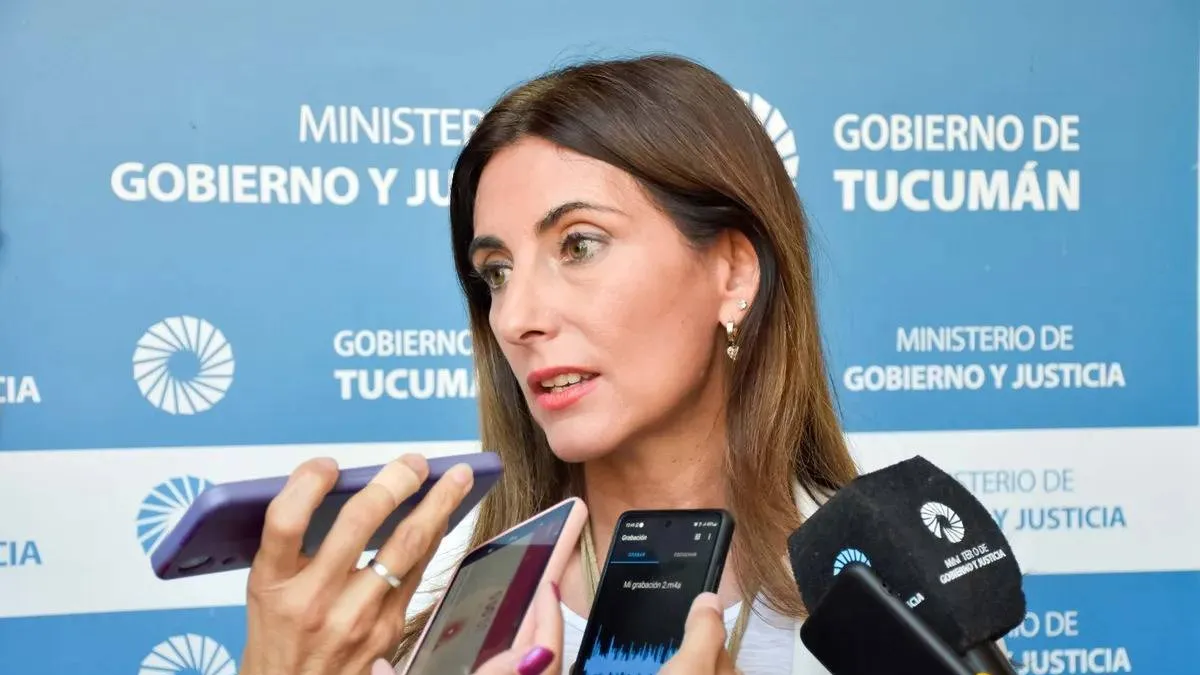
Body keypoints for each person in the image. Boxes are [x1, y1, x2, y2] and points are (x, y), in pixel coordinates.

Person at [243, 53, 859, 674]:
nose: (515, 318)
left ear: (733, 272)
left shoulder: (887, 581)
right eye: (496, 273)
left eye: (579, 245)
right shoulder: (422, 622)